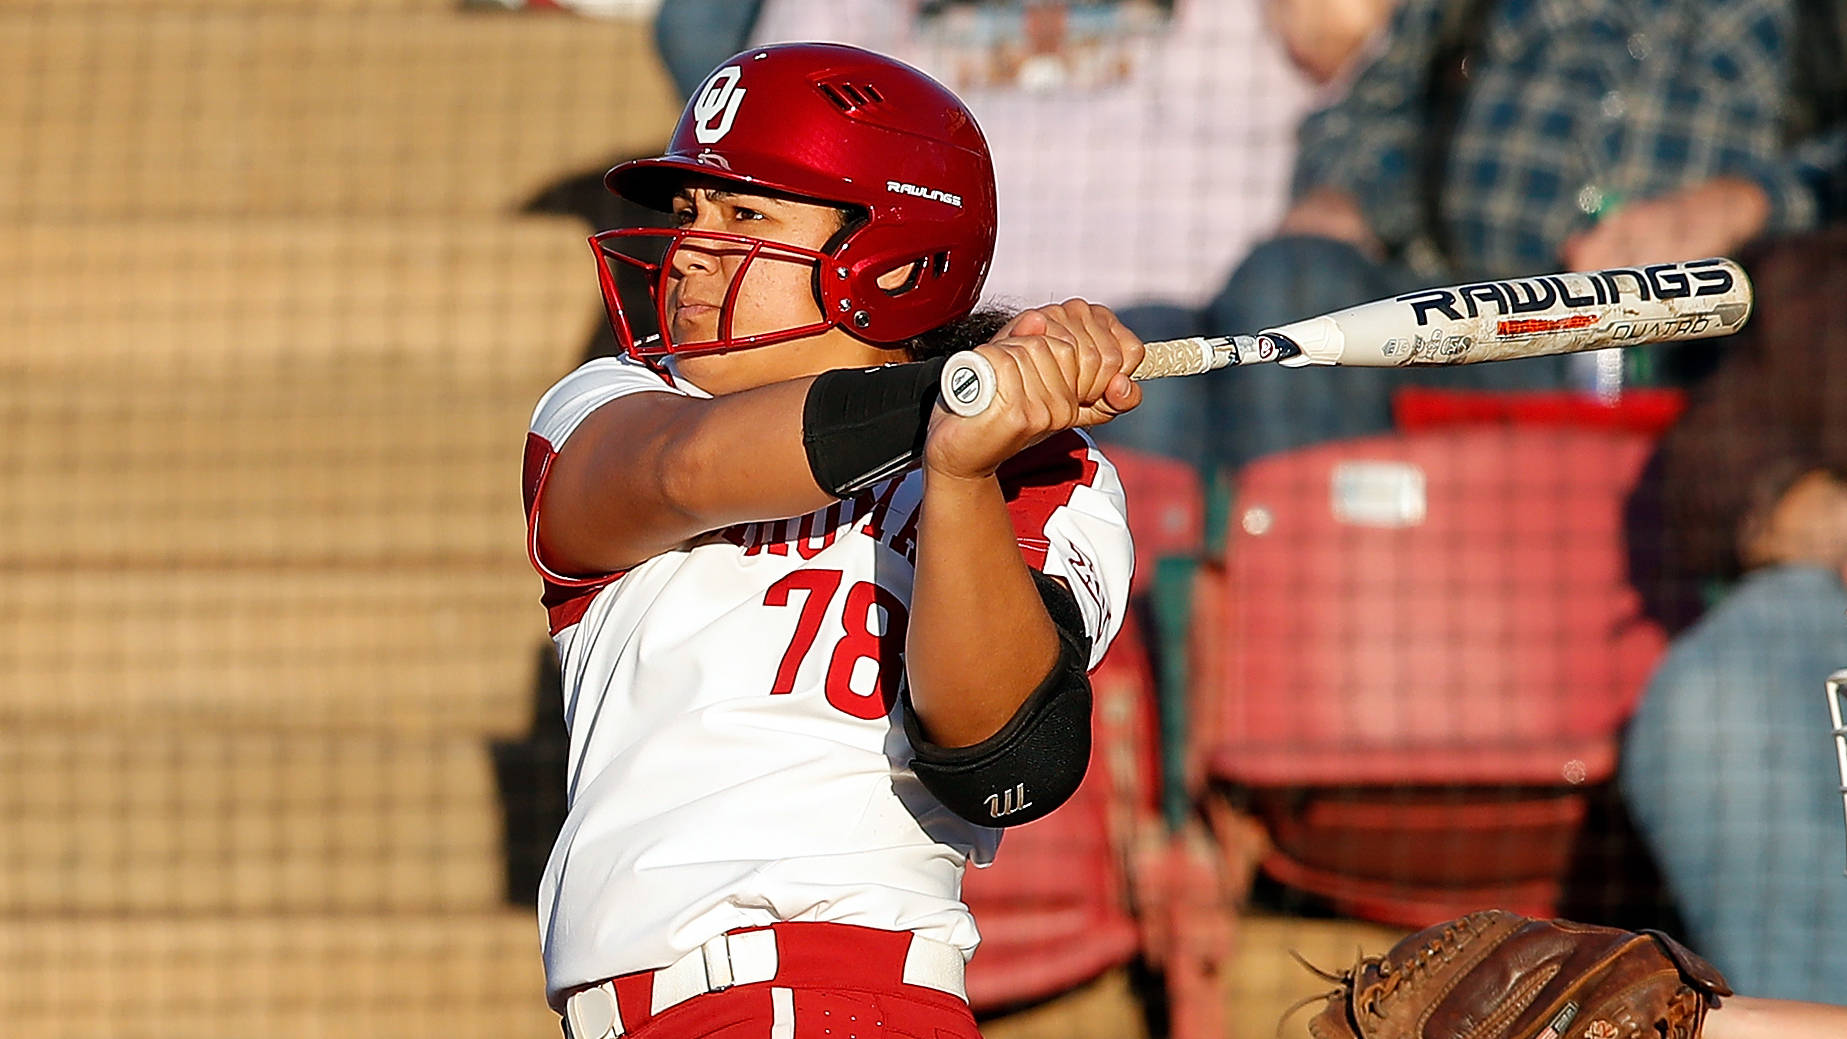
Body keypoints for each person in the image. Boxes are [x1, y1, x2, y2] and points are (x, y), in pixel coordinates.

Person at [520, 42, 1143, 1039]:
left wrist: (962, 468)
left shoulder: (1045, 477)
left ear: (891, 258)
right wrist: (960, 393)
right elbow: (687, 469)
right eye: (687, 215)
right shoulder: (608, 406)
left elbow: (1000, 759)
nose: (689, 250)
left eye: (744, 216)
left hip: (844, 997)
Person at [1106, 0, 1847, 476]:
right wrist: (1349, 196)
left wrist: (1746, 202)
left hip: (1682, 353)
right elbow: (1363, 118)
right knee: (1142, 355)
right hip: (1453, 316)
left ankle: (1314, 635)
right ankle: (1204, 676)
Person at [1618, 229, 1847, 1003]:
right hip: (1822, 614)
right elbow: (1704, 469)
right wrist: (1784, 493)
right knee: (1716, 696)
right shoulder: (1816, 269)